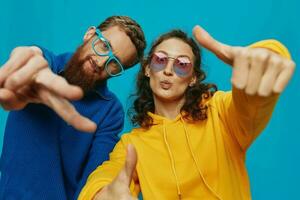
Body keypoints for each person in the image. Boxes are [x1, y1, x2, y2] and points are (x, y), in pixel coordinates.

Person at [78, 26, 295, 200]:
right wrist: (101, 195)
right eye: (160, 60)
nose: (168, 70)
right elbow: (105, 178)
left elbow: (251, 103)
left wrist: (266, 57)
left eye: (182, 64)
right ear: (147, 69)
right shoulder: (133, 143)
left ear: (193, 77)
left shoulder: (220, 112)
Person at [0, 16, 146, 200]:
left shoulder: (111, 111)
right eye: (104, 46)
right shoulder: (43, 70)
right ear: (90, 34)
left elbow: (93, 181)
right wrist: (27, 66)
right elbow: (36, 59)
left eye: (115, 64)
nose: (101, 63)